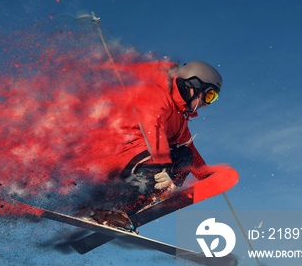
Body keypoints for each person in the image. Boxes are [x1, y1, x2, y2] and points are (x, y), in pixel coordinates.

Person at [89, 60, 223, 230]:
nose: (207, 103)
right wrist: (164, 164)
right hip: (118, 153)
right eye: (209, 95)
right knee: (166, 164)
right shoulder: (159, 96)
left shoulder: (181, 117)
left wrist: (204, 174)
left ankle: (122, 209)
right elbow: (153, 128)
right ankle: (114, 209)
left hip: (138, 156)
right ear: (194, 86)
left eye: (213, 98)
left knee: (184, 156)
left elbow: (188, 148)